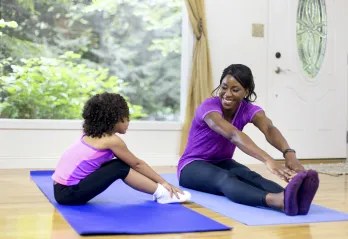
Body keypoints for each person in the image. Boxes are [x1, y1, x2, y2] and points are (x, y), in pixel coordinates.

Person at [177, 64, 319, 216]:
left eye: (235, 89)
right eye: (224, 87)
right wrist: (267, 159)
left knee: (250, 176)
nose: (227, 94)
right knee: (225, 178)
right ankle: (276, 201)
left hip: (222, 161)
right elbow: (233, 134)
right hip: (191, 166)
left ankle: (293, 196)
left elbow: (269, 128)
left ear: (246, 91)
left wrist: (289, 154)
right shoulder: (209, 107)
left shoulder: (249, 110)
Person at [52, 92, 191, 205]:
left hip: (60, 189)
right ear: (113, 119)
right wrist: (164, 182)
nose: (128, 122)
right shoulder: (111, 141)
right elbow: (137, 164)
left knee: (116, 164)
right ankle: (163, 194)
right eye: (126, 118)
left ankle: (159, 192)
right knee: (119, 166)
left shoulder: (90, 134)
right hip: (68, 194)